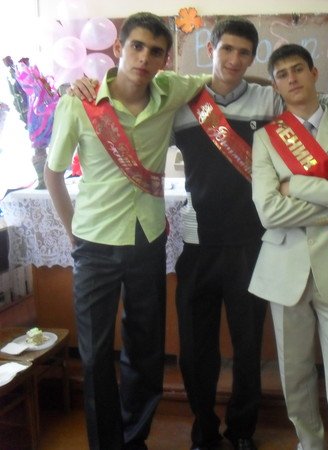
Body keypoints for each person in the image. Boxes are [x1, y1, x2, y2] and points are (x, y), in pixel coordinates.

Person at [171, 18, 328, 450]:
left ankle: (242, 431)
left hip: (250, 243)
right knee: (195, 350)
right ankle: (203, 431)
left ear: (252, 58)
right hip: (198, 241)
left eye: (244, 52)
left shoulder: (268, 98)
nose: (234, 59)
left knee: (248, 348)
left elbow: (322, 101)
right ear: (210, 50)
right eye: (227, 49)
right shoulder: (182, 102)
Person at [44, 12, 211, 450]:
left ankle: (134, 438)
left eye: (155, 51)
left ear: (165, 59)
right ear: (118, 48)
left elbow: (226, 74)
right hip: (94, 244)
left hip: (146, 241)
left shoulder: (170, 90)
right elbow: (53, 173)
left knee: (146, 350)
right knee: (95, 354)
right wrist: (72, 233)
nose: (144, 58)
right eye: (136, 46)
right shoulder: (78, 104)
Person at [249, 43, 328, 450]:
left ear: (314, 73)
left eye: (298, 69)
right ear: (275, 85)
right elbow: (269, 211)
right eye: (282, 74)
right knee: (295, 376)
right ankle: (309, 444)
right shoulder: (267, 138)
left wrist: (299, 185)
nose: (292, 78)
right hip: (285, 269)